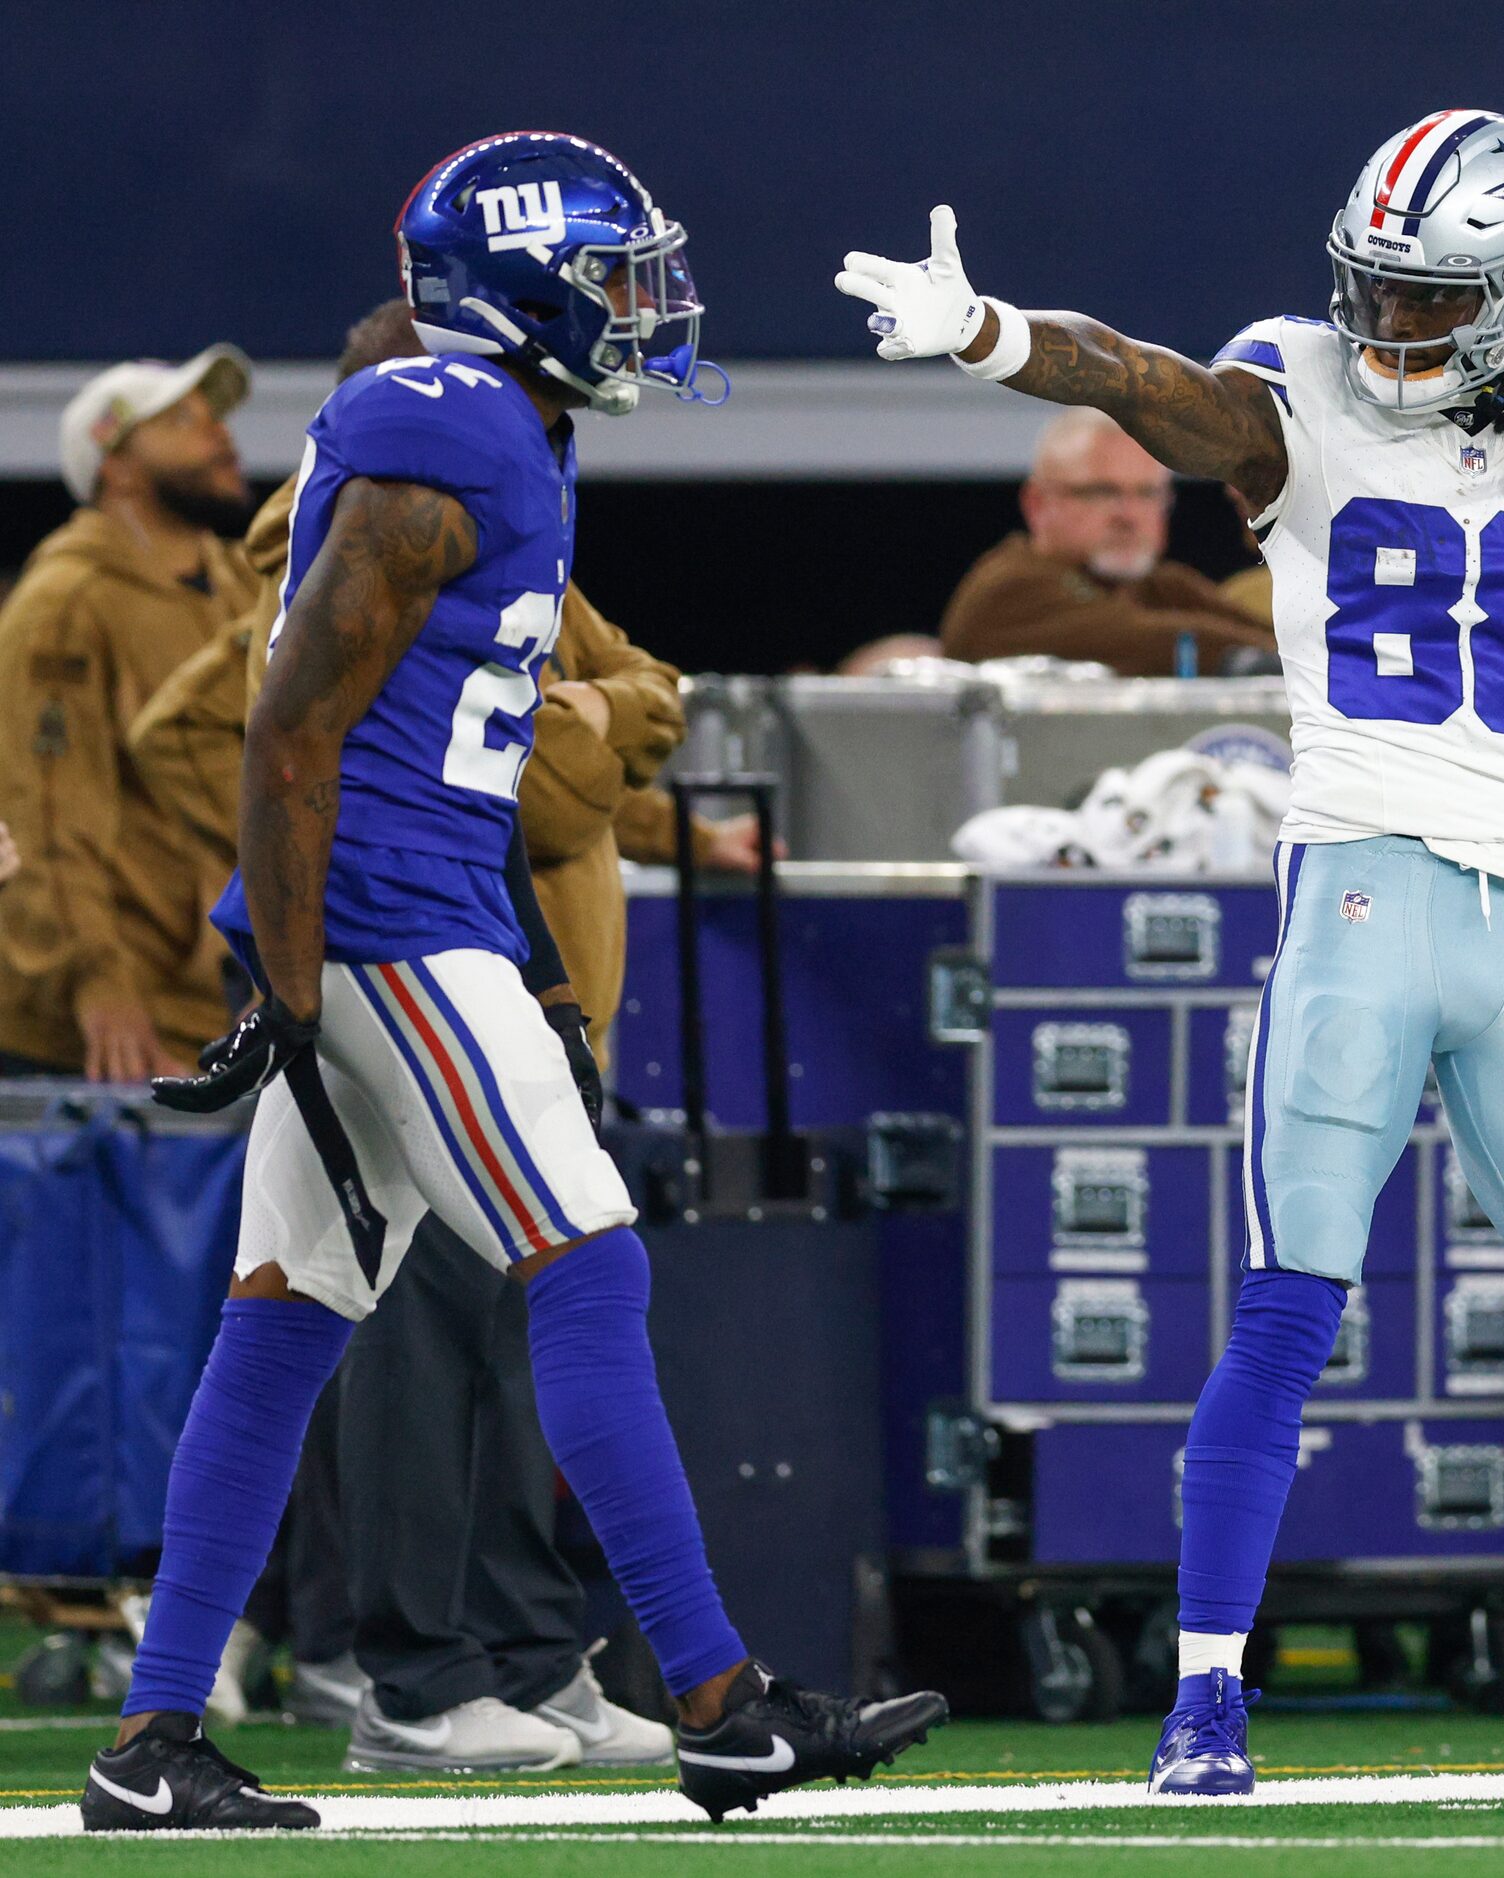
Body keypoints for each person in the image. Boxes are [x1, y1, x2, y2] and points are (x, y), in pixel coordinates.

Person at [837, 105, 1504, 1794]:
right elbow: (1139, 380)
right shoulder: (1298, 390)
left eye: (1430, 298)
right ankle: (1202, 1701)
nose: (1388, 325)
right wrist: (989, 334)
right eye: (1375, 289)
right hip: (1365, 893)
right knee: (1288, 1304)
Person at [77, 133, 945, 1835]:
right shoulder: (446, 432)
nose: (644, 309)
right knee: (589, 1259)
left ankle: (153, 1734)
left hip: (416, 915)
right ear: (518, 285)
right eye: (616, 276)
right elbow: (289, 725)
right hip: (397, 928)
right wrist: (301, 969)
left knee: (282, 1320)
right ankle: (719, 1701)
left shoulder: (489, 420)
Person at [0, 346, 261, 1080]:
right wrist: (96, 983)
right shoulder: (65, 606)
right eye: (183, 419)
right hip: (104, 1032)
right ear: (114, 465)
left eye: (217, 417)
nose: (221, 435)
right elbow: (46, 814)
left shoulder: (245, 588)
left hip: (220, 1006)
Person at [937, 408, 1274, 674]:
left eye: (1146, 494)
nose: (1128, 515)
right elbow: (1144, 641)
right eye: (1103, 492)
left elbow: (1281, 643)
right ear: (1037, 503)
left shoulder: (1162, 587)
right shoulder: (1005, 591)